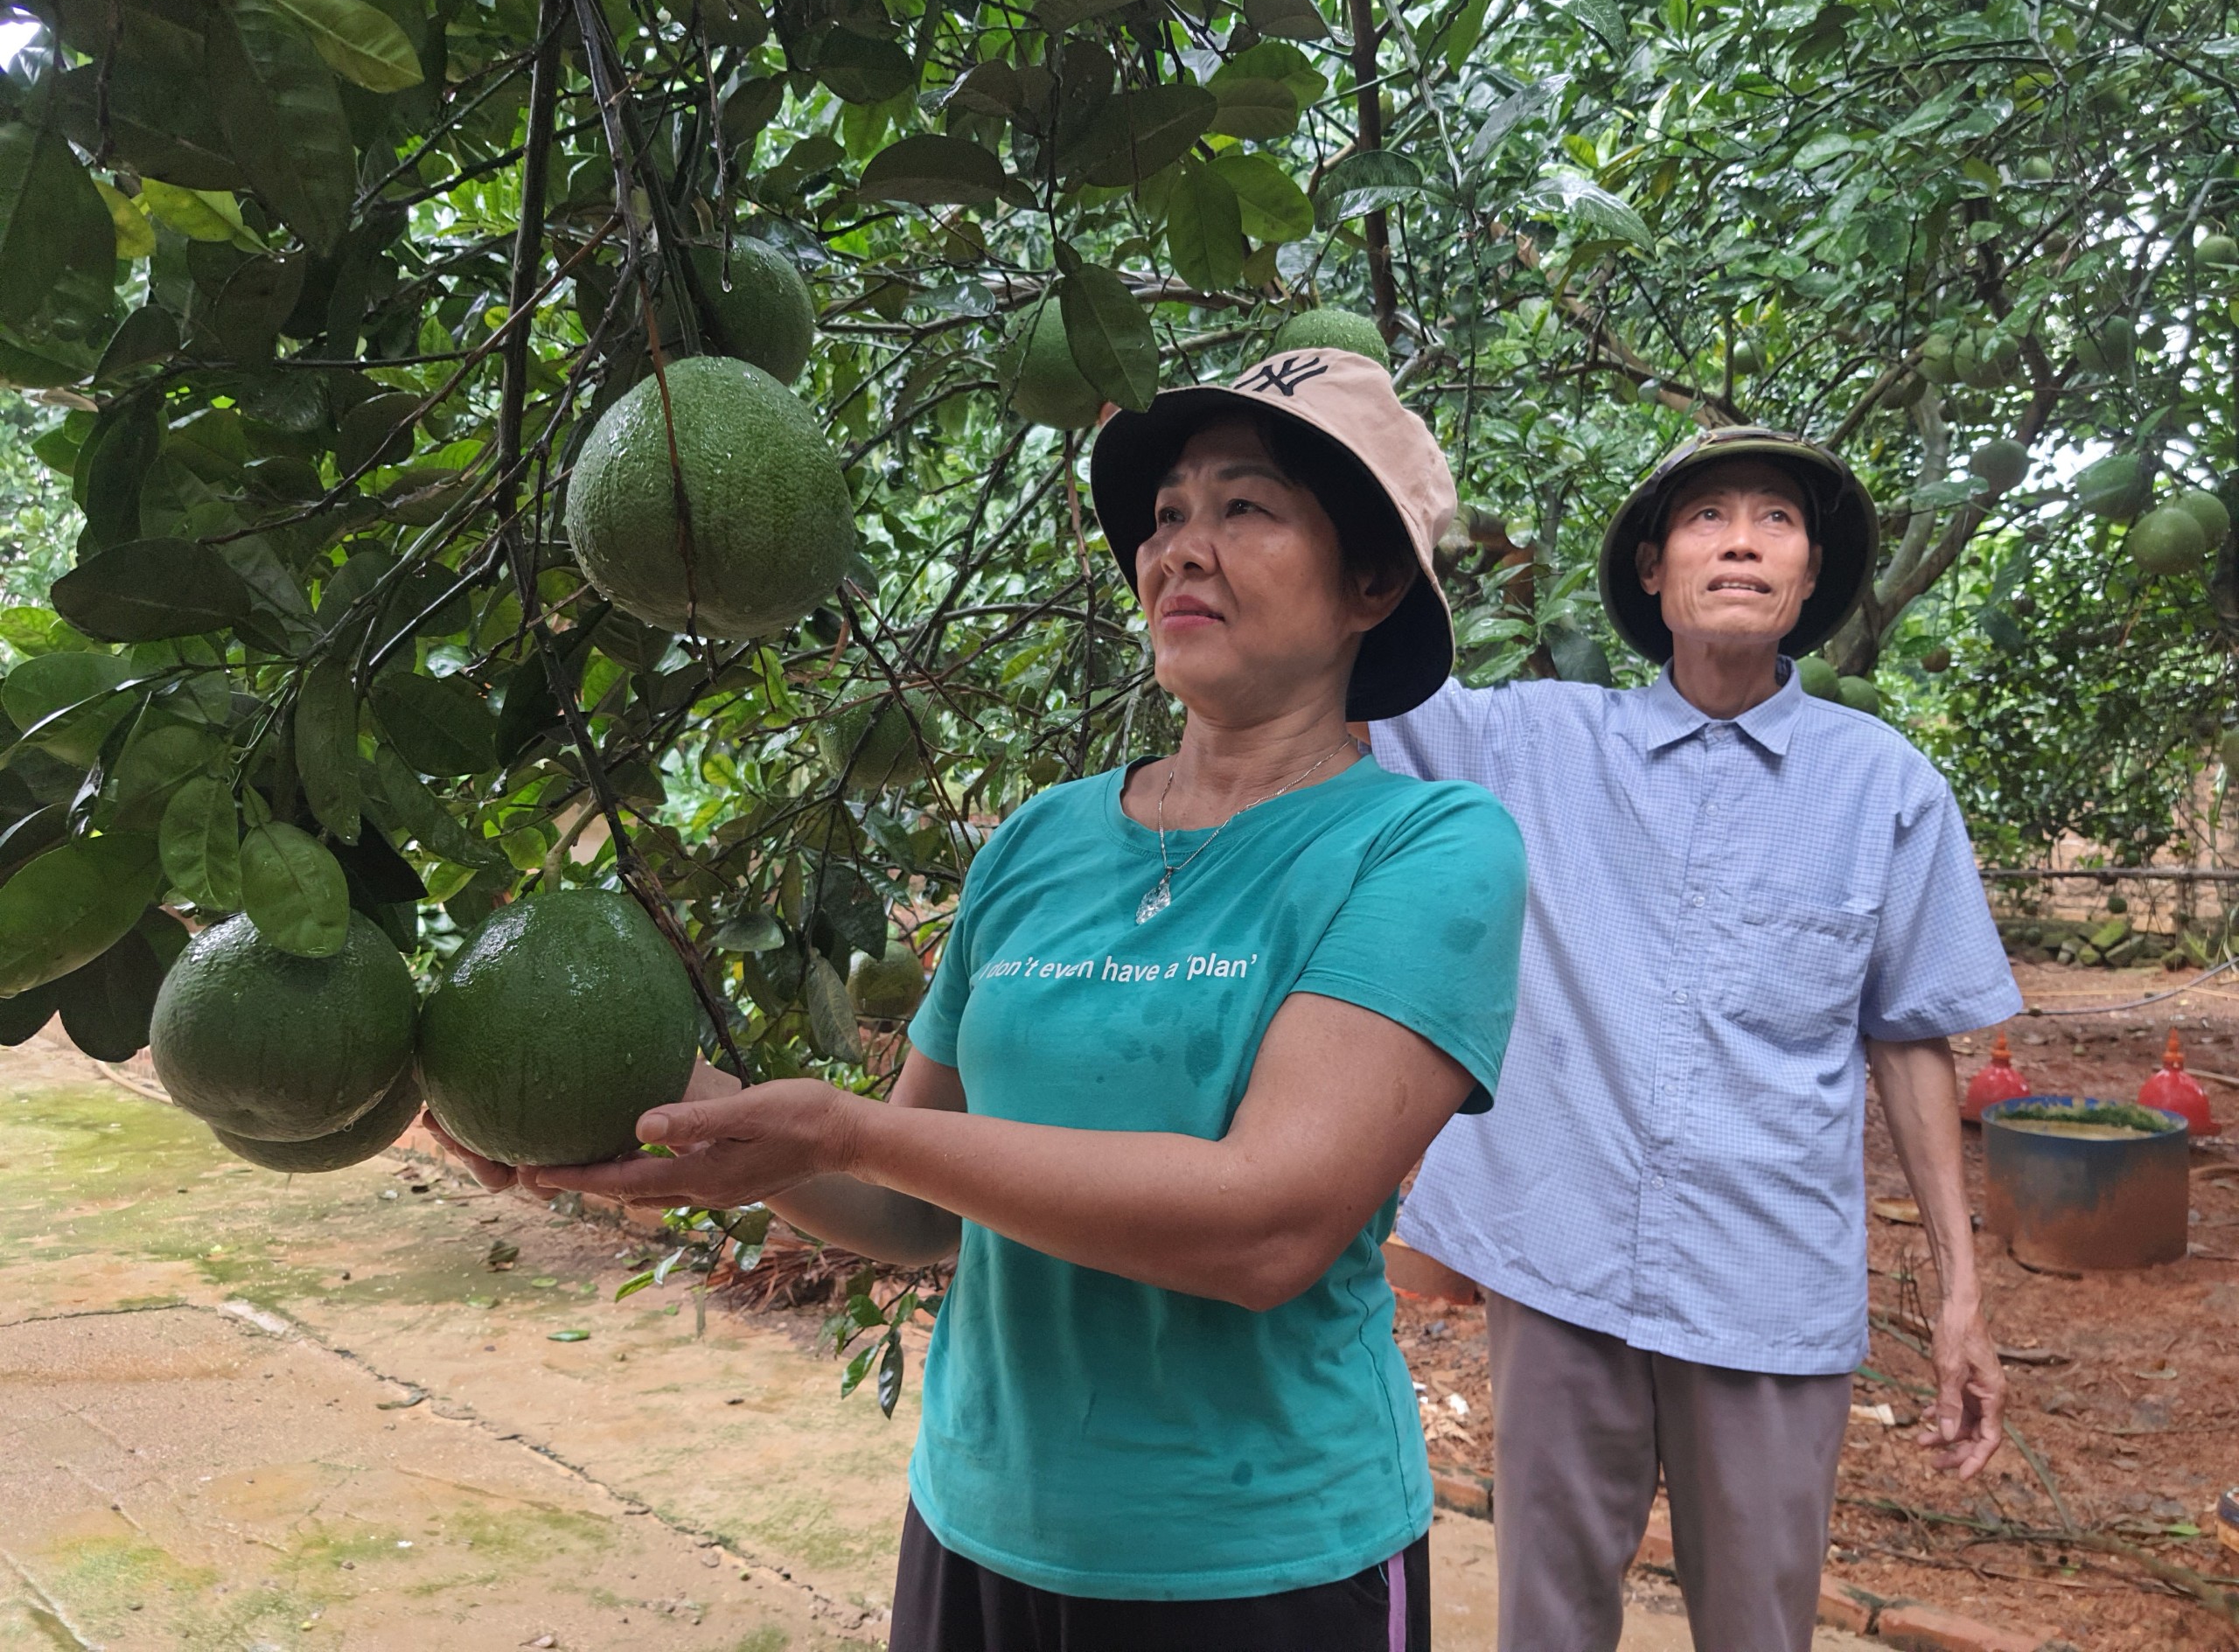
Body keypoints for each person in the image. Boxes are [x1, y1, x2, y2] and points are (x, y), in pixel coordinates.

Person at [431, 347, 1527, 1652]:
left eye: (1246, 508)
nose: (1183, 547)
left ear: (1374, 581)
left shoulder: (1430, 847)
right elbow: (910, 1208)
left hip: (1267, 1566)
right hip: (978, 1530)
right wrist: (636, 1112)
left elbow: (1267, 1228)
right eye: (1168, 513)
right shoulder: (1042, 842)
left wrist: (847, 1131)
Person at [1369, 428, 2022, 1652]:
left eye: (1772, 520)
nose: (1738, 539)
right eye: (1705, 518)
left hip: (1767, 1284)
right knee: (1547, 1618)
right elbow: (1364, 673)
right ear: (1655, 573)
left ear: (1809, 576)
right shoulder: (1533, 746)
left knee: (1761, 1624)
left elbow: (1912, 1040)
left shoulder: (1884, 784)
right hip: (1560, 1265)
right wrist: (1364, 475)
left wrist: (1960, 1292)